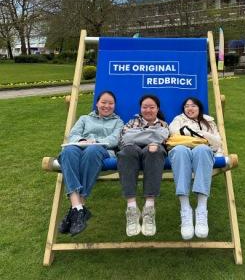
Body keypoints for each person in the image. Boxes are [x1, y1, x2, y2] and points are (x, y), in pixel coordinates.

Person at [168, 97, 238, 240]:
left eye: (193, 105)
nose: (190, 108)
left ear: (199, 108)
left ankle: (201, 209)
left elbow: (217, 142)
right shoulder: (178, 119)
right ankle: (185, 209)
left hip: (203, 153)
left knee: (202, 150)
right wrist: (205, 137)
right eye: (186, 106)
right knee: (180, 151)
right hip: (182, 150)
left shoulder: (209, 122)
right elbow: (174, 133)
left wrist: (198, 136)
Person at [58, 90, 124, 236]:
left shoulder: (118, 122)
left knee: (92, 150)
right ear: (97, 103)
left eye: (111, 103)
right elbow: (73, 135)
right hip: (80, 147)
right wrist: (82, 140)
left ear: (114, 106)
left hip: (102, 150)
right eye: (103, 102)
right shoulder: (84, 119)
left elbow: (115, 140)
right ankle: (79, 208)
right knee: (67, 153)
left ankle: (76, 209)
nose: (107, 106)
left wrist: (96, 142)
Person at [117, 94, 169, 237]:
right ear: (140, 108)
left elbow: (164, 139)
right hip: (132, 151)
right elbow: (123, 139)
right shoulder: (132, 121)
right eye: (145, 107)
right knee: (127, 152)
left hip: (152, 152)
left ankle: (149, 208)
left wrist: (138, 135)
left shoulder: (163, 124)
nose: (148, 110)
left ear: (157, 109)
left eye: (152, 107)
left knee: (155, 151)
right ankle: (132, 209)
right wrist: (152, 135)